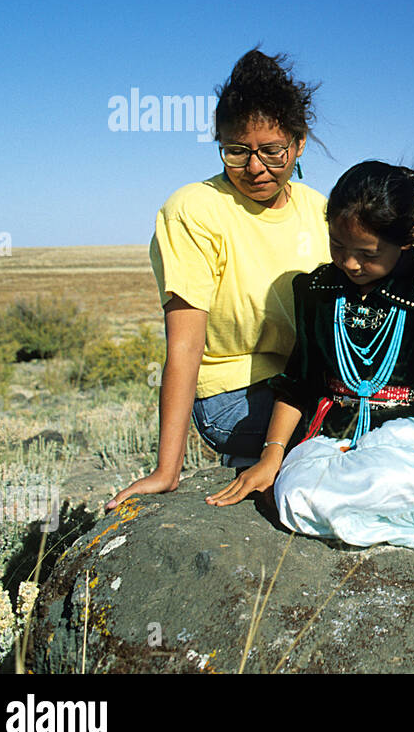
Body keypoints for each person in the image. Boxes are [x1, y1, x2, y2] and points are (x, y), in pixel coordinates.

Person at [204, 161, 414, 557]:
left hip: (412, 441)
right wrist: (271, 456)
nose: (350, 263)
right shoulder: (318, 290)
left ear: (406, 240)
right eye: (338, 246)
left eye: (367, 254)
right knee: (298, 490)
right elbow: (300, 382)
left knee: (405, 482)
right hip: (336, 440)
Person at [106, 50, 329, 511]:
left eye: (272, 151)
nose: (254, 167)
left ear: (300, 142)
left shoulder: (318, 209)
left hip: (305, 383)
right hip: (233, 396)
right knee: (363, 432)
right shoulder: (193, 210)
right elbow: (184, 345)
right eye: (236, 151)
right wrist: (168, 470)